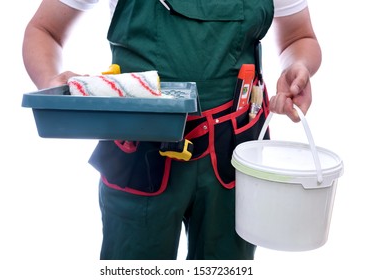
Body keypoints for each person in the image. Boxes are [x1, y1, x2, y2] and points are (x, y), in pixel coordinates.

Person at [22, 0, 321, 260]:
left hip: (234, 154)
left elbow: (298, 36)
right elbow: (44, 30)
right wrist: (53, 84)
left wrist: (298, 65)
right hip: (139, 153)